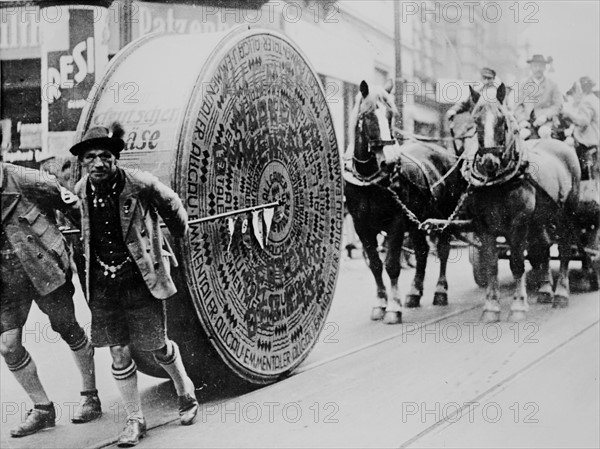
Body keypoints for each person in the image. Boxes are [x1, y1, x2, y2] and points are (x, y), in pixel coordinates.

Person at [69, 123, 199, 447]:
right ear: (83, 162)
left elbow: (172, 205)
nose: (98, 163)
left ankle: (185, 391)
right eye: (90, 157)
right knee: (118, 350)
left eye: (105, 156)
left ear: (115, 158)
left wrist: (175, 237)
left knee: (156, 346)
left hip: (141, 278)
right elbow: (78, 225)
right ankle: (134, 419)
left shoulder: (139, 183)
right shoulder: (81, 190)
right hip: (102, 282)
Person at [0, 161, 101, 438]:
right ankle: (43, 409)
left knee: (68, 328)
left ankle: (90, 395)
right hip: (7, 279)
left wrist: (86, 242)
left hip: (45, 268)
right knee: (8, 346)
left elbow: (72, 206)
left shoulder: (27, 179)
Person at [514, 54, 563, 139]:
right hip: (527, 122)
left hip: (546, 122)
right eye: (535, 66)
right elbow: (518, 105)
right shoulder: (523, 84)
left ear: (544, 67)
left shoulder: (552, 85)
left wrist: (545, 116)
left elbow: (558, 105)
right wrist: (522, 120)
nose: (538, 69)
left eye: (541, 66)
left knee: (544, 133)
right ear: (531, 67)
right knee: (521, 136)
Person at [562, 76, 600, 180]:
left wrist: (569, 115)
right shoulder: (594, 99)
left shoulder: (586, 101)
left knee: (586, 178)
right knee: (593, 177)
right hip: (593, 144)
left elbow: (583, 121)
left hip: (586, 145)